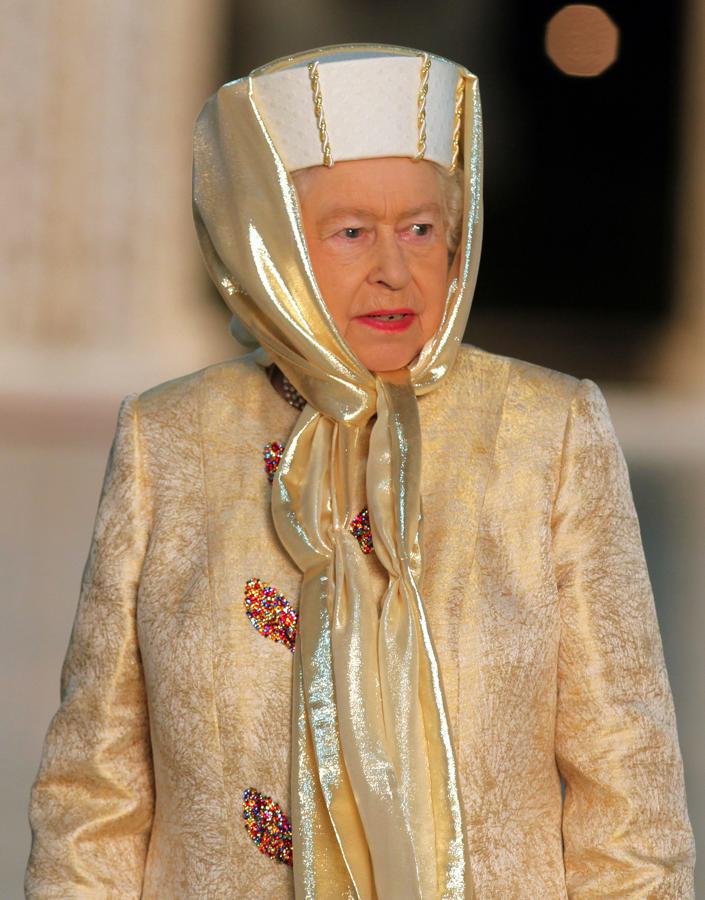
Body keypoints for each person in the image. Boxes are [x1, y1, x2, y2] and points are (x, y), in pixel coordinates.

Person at [25, 43, 695, 898]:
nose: (393, 269)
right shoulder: (171, 438)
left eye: (420, 229)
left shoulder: (546, 431)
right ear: (269, 246)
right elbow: (95, 796)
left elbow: (626, 789)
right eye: (350, 233)